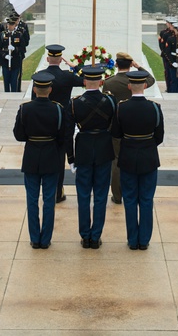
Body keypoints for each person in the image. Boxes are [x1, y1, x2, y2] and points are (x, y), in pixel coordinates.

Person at [12, 71, 72, 250]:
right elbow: (63, 136)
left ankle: (34, 238)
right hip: (51, 157)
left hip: (31, 157)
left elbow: (19, 135)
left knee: (32, 199)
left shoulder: (25, 109)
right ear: (50, 90)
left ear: (35, 89)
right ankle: (45, 239)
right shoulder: (58, 109)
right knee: (49, 200)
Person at [111, 71, 164, 251]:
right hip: (148, 157)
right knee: (147, 200)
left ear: (129, 87)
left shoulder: (121, 107)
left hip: (127, 157)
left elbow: (116, 134)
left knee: (131, 199)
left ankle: (133, 240)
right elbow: (159, 137)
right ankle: (144, 240)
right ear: (145, 86)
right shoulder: (154, 107)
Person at [68, 65, 117, 249]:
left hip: (84, 150)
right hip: (104, 149)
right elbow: (116, 127)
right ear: (101, 82)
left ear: (84, 82)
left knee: (83, 195)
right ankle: (96, 236)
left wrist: (71, 158)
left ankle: (85, 235)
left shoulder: (75, 103)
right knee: (101, 195)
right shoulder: (110, 101)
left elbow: (67, 134)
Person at [102, 52, 154, 205]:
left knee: (117, 161)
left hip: (117, 125)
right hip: (137, 126)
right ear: (130, 64)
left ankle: (117, 196)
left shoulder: (109, 83)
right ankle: (136, 192)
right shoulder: (136, 79)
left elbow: (107, 105)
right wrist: (139, 67)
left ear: (116, 64)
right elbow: (151, 79)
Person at [42, 44, 84, 203]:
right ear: (60, 60)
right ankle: (58, 192)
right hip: (63, 121)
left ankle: (48, 189)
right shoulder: (67, 76)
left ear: (47, 59)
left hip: (45, 121)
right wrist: (76, 67)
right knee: (60, 158)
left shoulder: (41, 76)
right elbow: (86, 80)